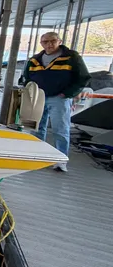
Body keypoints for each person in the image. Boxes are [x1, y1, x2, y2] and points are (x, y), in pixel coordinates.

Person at [22, 31, 91, 172]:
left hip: (59, 99)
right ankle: (37, 155)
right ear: (41, 44)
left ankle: (60, 160)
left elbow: (83, 77)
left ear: (59, 41)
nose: (49, 44)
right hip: (38, 98)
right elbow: (26, 78)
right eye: (45, 42)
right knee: (36, 128)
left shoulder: (71, 57)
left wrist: (68, 93)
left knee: (60, 129)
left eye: (52, 41)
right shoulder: (34, 59)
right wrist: (29, 90)